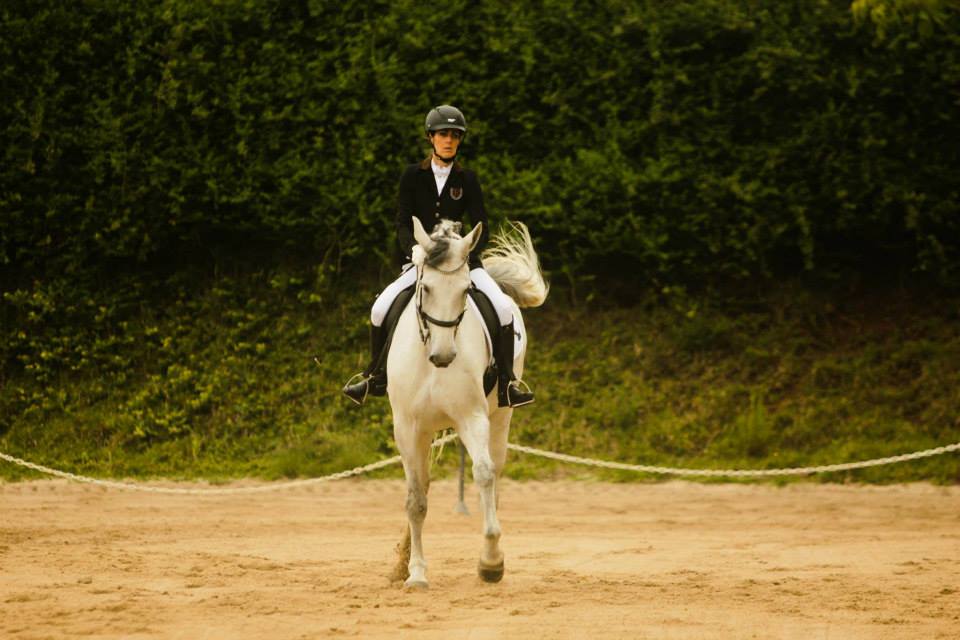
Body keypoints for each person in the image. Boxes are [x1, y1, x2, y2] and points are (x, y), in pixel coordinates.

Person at [342, 105, 535, 408]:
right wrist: (413, 249)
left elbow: (482, 225)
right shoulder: (411, 176)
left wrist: (465, 249)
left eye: (455, 136)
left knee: (503, 309)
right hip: (421, 262)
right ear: (431, 137)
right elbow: (403, 223)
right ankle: (374, 376)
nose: (449, 140)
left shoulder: (467, 180)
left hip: (461, 263)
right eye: (443, 134)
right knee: (380, 308)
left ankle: (508, 384)